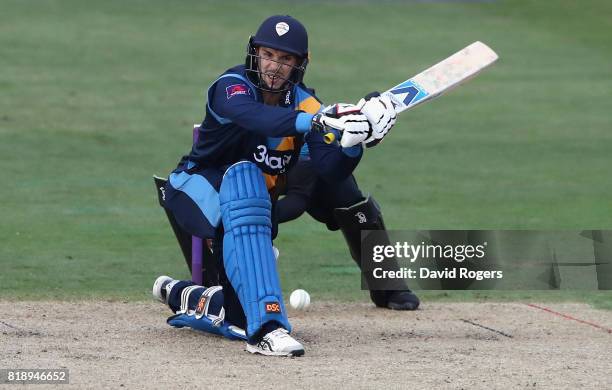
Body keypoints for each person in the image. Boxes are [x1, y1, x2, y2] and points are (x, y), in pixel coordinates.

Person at [153, 15, 398, 357]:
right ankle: (270, 329)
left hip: (251, 210)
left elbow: (331, 170)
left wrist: (354, 142)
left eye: (286, 60)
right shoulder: (231, 85)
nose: (274, 66)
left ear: (300, 64)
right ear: (255, 52)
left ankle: (185, 294)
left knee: (237, 318)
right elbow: (252, 115)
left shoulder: (307, 104)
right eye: (269, 54)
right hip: (195, 188)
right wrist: (315, 120)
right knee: (245, 182)